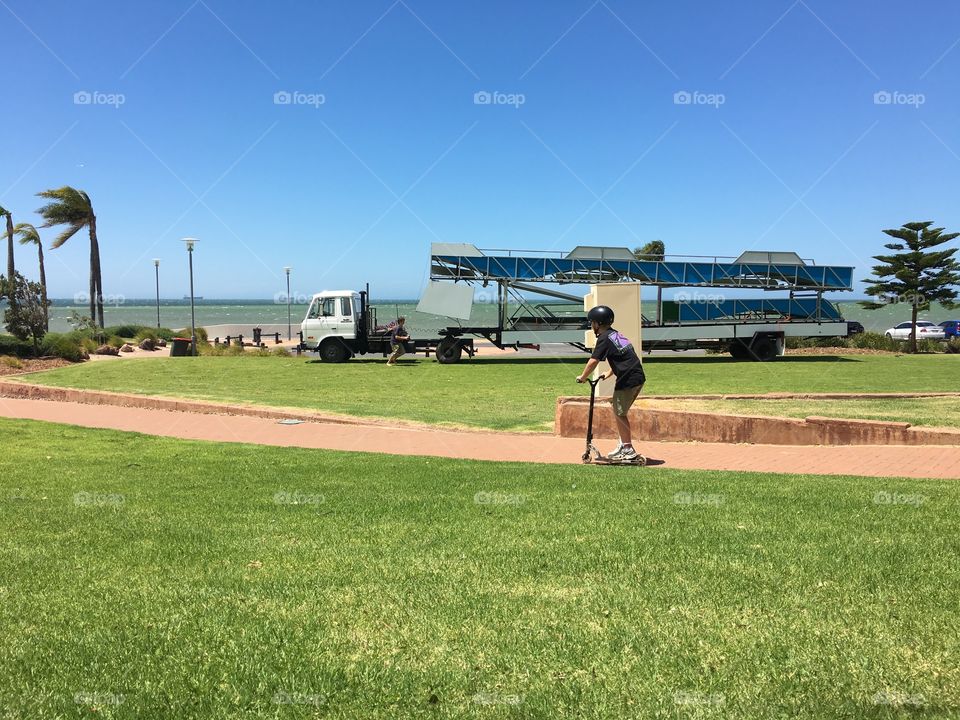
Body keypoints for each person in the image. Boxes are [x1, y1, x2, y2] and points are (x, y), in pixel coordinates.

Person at [576, 305, 646, 461]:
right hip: (638, 377)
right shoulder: (615, 335)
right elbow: (623, 357)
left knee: (619, 413)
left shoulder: (603, 338)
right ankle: (623, 444)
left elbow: (593, 361)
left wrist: (582, 376)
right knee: (618, 410)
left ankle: (628, 449)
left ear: (597, 323)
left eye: (592, 322)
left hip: (628, 379)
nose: (591, 325)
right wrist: (608, 373)